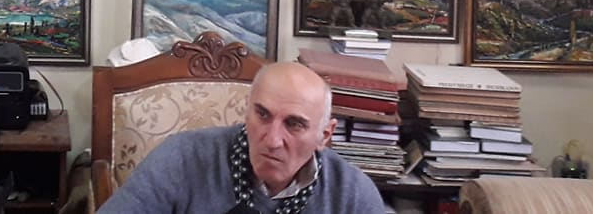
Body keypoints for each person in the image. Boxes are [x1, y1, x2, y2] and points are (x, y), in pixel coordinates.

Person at [97, 61, 387, 213]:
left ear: (324, 135)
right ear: (246, 111)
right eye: (263, 115)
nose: (272, 140)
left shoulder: (351, 194)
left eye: (294, 124)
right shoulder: (182, 159)